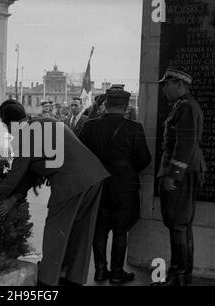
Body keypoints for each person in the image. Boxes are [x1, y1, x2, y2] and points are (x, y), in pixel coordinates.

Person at [0, 100, 110, 286]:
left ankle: (47, 281)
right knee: (81, 232)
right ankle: (73, 278)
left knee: (55, 231)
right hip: (95, 177)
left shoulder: (24, 136)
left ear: (8, 124)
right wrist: (13, 198)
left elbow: (17, 175)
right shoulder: (46, 121)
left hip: (71, 182)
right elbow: (31, 173)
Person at [79, 87, 151, 285]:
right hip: (125, 188)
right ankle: (117, 272)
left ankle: (101, 271)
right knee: (121, 230)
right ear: (125, 106)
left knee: (99, 230)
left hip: (98, 186)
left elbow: (81, 157)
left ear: (106, 104)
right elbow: (145, 159)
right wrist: (127, 171)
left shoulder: (90, 126)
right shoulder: (134, 128)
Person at [154, 68, 206, 286]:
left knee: (177, 224)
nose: (164, 88)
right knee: (181, 224)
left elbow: (184, 144)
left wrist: (172, 175)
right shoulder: (182, 105)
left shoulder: (185, 106)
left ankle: (178, 275)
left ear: (179, 84)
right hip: (187, 170)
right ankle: (182, 274)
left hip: (182, 173)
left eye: (167, 84)